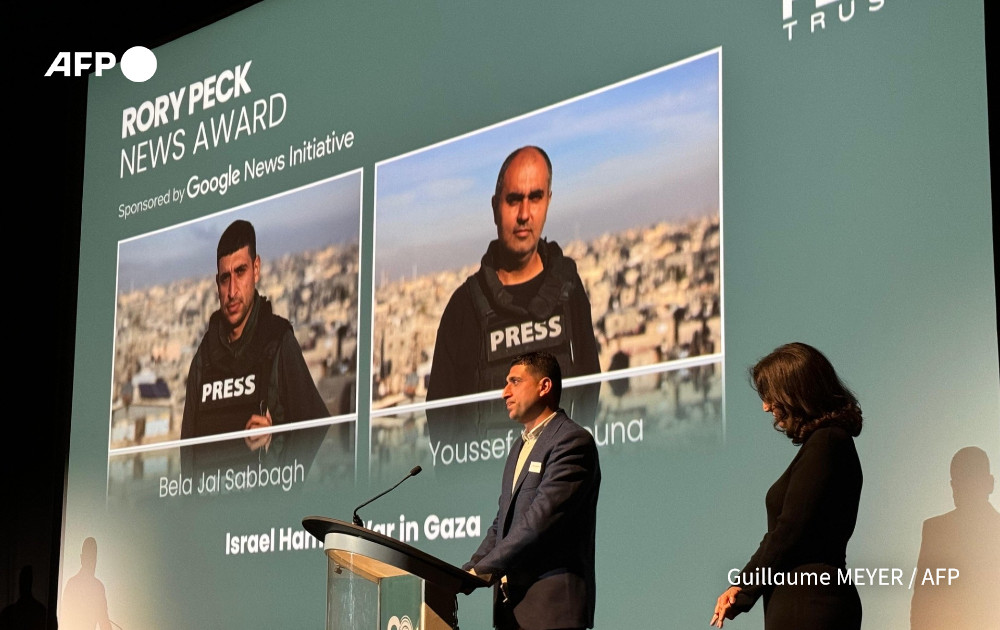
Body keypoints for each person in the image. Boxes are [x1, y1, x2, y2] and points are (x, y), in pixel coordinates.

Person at [427, 146, 600, 401]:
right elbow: (442, 418)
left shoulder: (569, 289)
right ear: (495, 207)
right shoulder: (464, 308)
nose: (524, 214)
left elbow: (589, 394)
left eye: (536, 198)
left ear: (548, 202)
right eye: (514, 200)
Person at [711, 342, 863, 629]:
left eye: (770, 395)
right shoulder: (825, 444)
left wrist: (744, 588)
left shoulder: (828, 442)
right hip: (804, 600)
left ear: (796, 392)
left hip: (811, 601)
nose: (766, 406)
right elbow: (785, 531)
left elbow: (790, 529)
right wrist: (743, 587)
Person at [464, 352, 601, 630]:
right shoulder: (519, 447)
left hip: (551, 610)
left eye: (515, 381)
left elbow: (539, 522)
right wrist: (466, 571)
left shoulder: (572, 441)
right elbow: (502, 524)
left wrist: (483, 570)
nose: (505, 392)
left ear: (544, 386)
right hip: (511, 614)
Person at [180, 219, 328, 467]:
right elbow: (189, 457)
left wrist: (274, 442)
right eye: (225, 278)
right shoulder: (203, 360)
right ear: (217, 283)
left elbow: (316, 433)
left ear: (256, 269)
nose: (232, 291)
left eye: (240, 272)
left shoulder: (279, 343)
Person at [910, 446, 1000, 629]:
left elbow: (922, 603)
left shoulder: (935, 531)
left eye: (966, 480)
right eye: (957, 483)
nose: (958, 489)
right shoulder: (935, 530)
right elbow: (922, 602)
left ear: (989, 483)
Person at [60, 538, 112, 630]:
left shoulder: (72, 584)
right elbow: (104, 623)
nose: (93, 563)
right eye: (90, 558)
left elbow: (104, 622)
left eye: (93, 559)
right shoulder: (97, 587)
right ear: (82, 558)